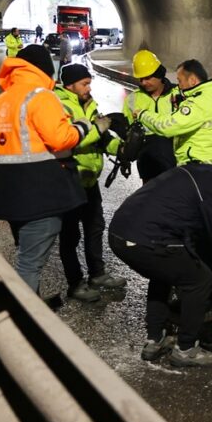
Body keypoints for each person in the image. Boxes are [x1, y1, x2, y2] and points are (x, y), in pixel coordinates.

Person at [0, 44, 111, 295]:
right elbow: (60, 139)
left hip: (7, 191)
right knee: (29, 263)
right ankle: (26, 322)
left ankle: (31, 307)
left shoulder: (1, 100)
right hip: (39, 192)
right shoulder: (40, 96)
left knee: (26, 254)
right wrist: (85, 126)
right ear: (44, 68)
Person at [108, 158, 212, 367]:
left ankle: (154, 339)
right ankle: (185, 349)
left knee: (163, 274)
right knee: (200, 280)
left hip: (120, 232)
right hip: (146, 239)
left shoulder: (195, 172)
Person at [55, 63, 127, 302]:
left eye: (89, 83)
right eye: (84, 84)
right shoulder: (60, 104)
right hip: (69, 177)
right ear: (70, 85)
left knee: (95, 226)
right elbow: (70, 141)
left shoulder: (89, 104)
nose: (88, 88)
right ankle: (75, 284)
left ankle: (97, 274)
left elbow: (102, 139)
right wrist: (98, 127)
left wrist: (123, 149)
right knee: (70, 235)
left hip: (89, 179)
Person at [134, 58, 212, 166]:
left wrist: (142, 114)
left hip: (198, 168)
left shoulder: (197, 103)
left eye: (180, 81)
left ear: (192, 80)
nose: (179, 86)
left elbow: (165, 126)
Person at [123, 49, 178, 182]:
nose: (144, 82)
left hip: (175, 164)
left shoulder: (177, 95)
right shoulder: (132, 99)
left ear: (159, 75)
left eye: (148, 78)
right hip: (147, 165)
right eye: (141, 79)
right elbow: (127, 132)